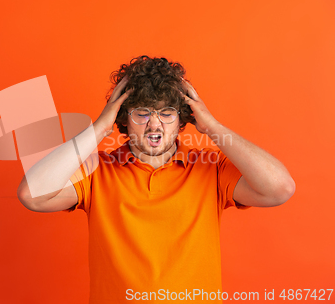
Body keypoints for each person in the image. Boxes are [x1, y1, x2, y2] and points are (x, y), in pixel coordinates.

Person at [17, 55, 295, 303]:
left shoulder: (211, 167)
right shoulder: (97, 171)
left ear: (182, 119)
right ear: (123, 118)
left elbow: (279, 189)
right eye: (142, 113)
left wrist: (212, 127)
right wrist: (100, 128)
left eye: (166, 113)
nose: (154, 124)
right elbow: (33, 195)